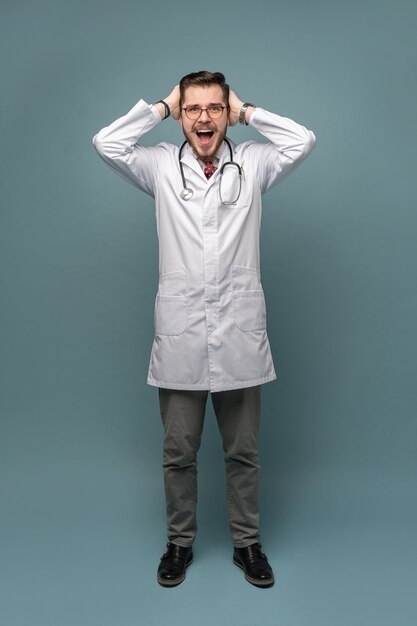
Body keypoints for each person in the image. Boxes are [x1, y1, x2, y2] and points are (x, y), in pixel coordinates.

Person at [92, 70, 316, 588]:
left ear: (226, 112)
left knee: (243, 451)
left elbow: (302, 139)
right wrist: (162, 106)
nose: (203, 119)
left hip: (238, 329)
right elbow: (107, 142)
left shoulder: (254, 161)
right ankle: (179, 543)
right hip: (182, 331)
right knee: (178, 453)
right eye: (193, 109)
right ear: (182, 116)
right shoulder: (158, 167)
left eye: (214, 108)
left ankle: (247, 545)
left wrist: (249, 111)